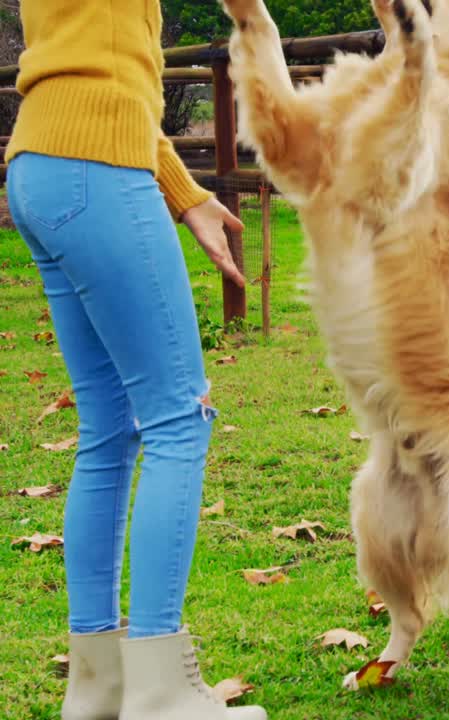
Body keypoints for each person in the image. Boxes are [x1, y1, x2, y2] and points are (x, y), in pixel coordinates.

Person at [5, 3, 265, 719]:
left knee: (109, 428)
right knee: (180, 420)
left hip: (40, 165)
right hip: (96, 170)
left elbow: (99, 75)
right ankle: (161, 689)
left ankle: (99, 684)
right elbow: (109, 92)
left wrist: (185, 196)